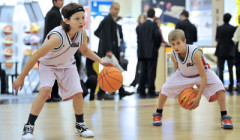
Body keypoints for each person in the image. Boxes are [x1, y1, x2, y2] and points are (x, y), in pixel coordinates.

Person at [13, 3, 114, 139]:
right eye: (77, 18)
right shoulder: (57, 37)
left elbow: (84, 50)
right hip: (48, 65)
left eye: (83, 18)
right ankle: (28, 127)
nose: (81, 21)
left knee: (79, 93)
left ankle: (80, 125)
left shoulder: (81, 34)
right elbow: (36, 56)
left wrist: (100, 61)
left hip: (67, 65)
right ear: (66, 20)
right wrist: (21, 77)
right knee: (45, 91)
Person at [152, 29, 233, 129]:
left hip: (202, 74)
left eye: (178, 43)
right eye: (172, 44)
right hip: (184, 75)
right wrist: (181, 87)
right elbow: (177, 70)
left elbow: (204, 77)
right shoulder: (174, 55)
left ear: (184, 41)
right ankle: (158, 114)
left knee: (220, 87)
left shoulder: (195, 53)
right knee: (164, 88)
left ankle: (224, 116)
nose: (175, 46)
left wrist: (198, 98)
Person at [94, 2, 133, 100]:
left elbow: (100, 33)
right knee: (107, 72)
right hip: (109, 51)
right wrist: (108, 48)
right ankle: (101, 92)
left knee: (115, 71)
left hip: (114, 50)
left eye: (118, 9)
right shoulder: (108, 20)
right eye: (115, 9)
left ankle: (121, 90)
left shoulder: (114, 21)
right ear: (110, 9)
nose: (117, 11)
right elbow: (105, 35)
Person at [136, 9, 162, 97]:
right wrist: (156, 47)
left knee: (143, 71)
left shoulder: (141, 26)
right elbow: (158, 36)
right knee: (152, 72)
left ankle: (141, 89)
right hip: (152, 53)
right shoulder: (154, 25)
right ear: (154, 16)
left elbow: (138, 39)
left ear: (147, 15)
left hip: (142, 53)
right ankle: (151, 90)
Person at [43, 0, 64, 102]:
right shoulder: (54, 14)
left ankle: (53, 94)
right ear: (55, 1)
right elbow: (53, 32)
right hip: (53, 47)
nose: (62, 2)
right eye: (60, 0)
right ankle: (52, 95)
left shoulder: (54, 12)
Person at [215, 13, 236, 92]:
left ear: (223, 18)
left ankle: (221, 86)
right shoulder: (233, 28)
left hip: (221, 51)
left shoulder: (219, 28)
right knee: (230, 70)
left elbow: (216, 39)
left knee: (221, 70)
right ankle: (231, 87)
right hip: (230, 52)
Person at [130, 14, 147, 88]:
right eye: (142, 18)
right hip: (140, 50)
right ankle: (137, 81)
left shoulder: (143, 28)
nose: (143, 19)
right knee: (139, 66)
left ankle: (139, 81)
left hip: (143, 49)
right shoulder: (139, 28)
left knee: (141, 66)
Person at [232, 15, 240, 92]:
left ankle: (238, 84)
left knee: (238, 68)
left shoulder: (238, 28)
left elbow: (235, 39)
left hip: (239, 52)